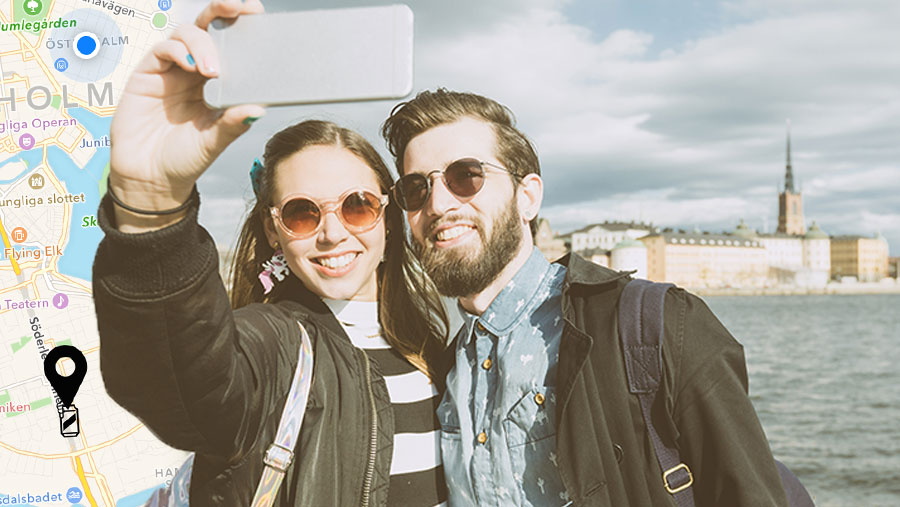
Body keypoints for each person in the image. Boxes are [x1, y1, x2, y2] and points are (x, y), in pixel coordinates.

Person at [92, 2, 450, 505]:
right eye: (303, 213)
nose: (332, 233)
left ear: (387, 217)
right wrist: (152, 202)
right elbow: (185, 385)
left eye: (358, 206)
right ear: (274, 230)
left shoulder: (434, 346)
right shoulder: (272, 343)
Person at [380, 89, 791, 506]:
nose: (437, 203)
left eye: (465, 176)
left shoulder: (655, 325)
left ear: (528, 197)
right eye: (416, 189)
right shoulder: (444, 367)